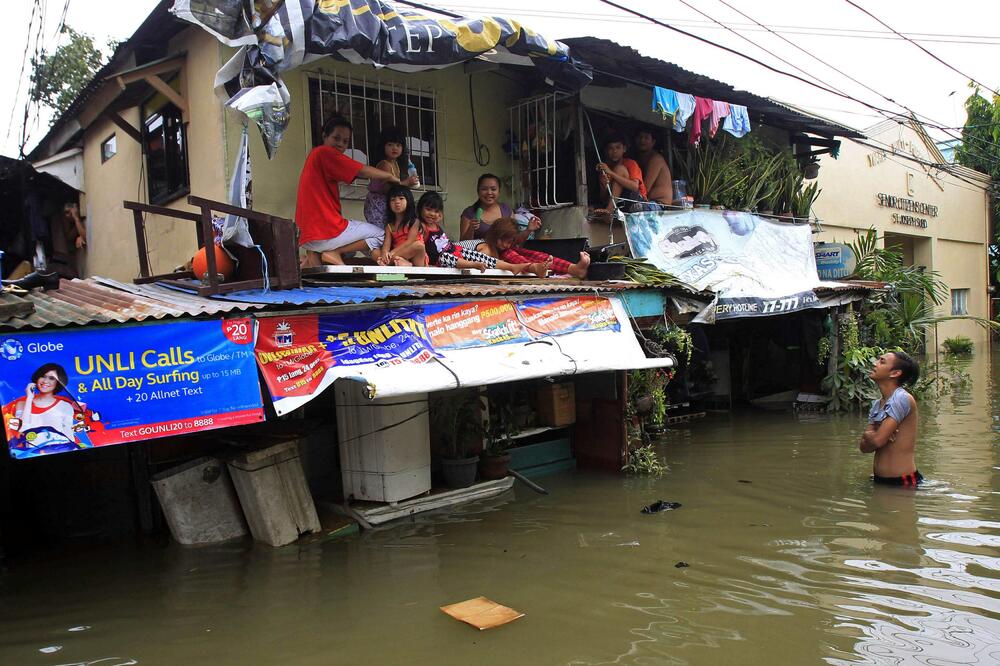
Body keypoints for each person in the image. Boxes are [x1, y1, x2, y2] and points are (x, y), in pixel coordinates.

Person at [295, 116, 404, 267]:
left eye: (345, 141)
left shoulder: (315, 157)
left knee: (322, 264)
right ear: (324, 136)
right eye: (336, 138)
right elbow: (362, 170)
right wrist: (391, 177)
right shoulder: (324, 153)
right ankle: (334, 253)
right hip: (326, 229)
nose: (340, 144)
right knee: (381, 234)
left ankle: (319, 259)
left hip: (308, 236)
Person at [417, 192, 545, 276]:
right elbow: (418, 246)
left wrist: (528, 230)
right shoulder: (421, 227)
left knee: (485, 259)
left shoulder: (436, 226)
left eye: (436, 211)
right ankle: (476, 264)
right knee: (447, 257)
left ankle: (513, 267)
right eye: (428, 210)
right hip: (442, 259)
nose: (432, 214)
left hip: (454, 250)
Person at [859, 351, 922, 486]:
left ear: (895, 373)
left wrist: (873, 435)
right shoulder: (877, 404)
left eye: (882, 361)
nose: (875, 363)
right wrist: (872, 435)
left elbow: (876, 441)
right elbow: (864, 448)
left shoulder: (901, 398)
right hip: (880, 481)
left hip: (903, 482)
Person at [365, 127, 420, 262]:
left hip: (386, 204)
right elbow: (387, 189)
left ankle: (387, 257)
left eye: (398, 145)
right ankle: (383, 258)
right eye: (390, 144)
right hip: (378, 206)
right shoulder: (384, 164)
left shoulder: (394, 163)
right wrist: (406, 183)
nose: (394, 148)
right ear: (383, 146)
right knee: (381, 235)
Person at [2, 363, 85, 454]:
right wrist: (29, 398)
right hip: (30, 455)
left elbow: (69, 436)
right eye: (43, 376)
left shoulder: (65, 406)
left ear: (58, 382)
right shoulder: (22, 404)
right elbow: (22, 430)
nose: (45, 381)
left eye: (52, 378)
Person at [479, 218, 591, 278]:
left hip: (510, 258)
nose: (504, 245)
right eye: (501, 240)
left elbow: (516, 241)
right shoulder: (487, 248)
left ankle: (574, 268)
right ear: (494, 235)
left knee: (534, 255)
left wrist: (529, 230)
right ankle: (535, 268)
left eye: (508, 242)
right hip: (501, 262)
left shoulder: (505, 247)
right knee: (510, 254)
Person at [460, 173, 541, 242]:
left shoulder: (506, 210)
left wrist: (529, 229)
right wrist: (471, 229)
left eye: (493, 189)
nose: (489, 192)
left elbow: (515, 240)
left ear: (499, 192)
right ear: (478, 191)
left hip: (505, 254)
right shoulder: (469, 213)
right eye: (484, 189)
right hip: (480, 256)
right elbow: (463, 243)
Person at [593, 130, 648, 223]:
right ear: (606, 151)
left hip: (636, 201)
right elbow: (603, 198)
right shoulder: (605, 168)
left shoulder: (631, 163)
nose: (614, 151)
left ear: (624, 149)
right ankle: (610, 209)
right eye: (610, 148)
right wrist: (604, 185)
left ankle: (609, 210)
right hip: (619, 203)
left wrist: (611, 173)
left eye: (618, 147)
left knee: (619, 169)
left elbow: (635, 187)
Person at [378, 186, 427, 267]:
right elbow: (386, 245)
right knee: (376, 252)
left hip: (416, 257)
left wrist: (392, 253)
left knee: (419, 245)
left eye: (401, 198)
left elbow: (409, 242)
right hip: (398, 255)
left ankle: (399, 262)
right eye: (393, 200)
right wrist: (384, 254)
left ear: (409, 200)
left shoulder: (414, 221)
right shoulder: (389, 226)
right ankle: (403, 263)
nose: (397, 202)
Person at [634, 130, 673, 205]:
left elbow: (645, 188)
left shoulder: (656, 159)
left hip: (659, 204)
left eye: (646, 138)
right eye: (640, 137)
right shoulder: (639, 159)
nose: (642, 140)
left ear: (653, 142)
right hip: (649, 201)